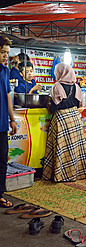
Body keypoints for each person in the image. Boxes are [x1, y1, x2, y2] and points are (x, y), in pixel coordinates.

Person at [42, 63, 86, 182]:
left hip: (62, 119)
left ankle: (62, 175)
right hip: (75, 119)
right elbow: (79, 104)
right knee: (75, 148)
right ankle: (78, 173)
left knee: (62, 149)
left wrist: (48, 105)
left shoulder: (57, 87)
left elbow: (55, 106)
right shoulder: (76, 87)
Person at [0, 35, 17, 208]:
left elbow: (7, 97)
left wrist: (12, 120)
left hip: (2, 125)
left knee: (1, 160)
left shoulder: (5, 72)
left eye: (7, 53)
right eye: (3, 52)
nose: (6, 56)